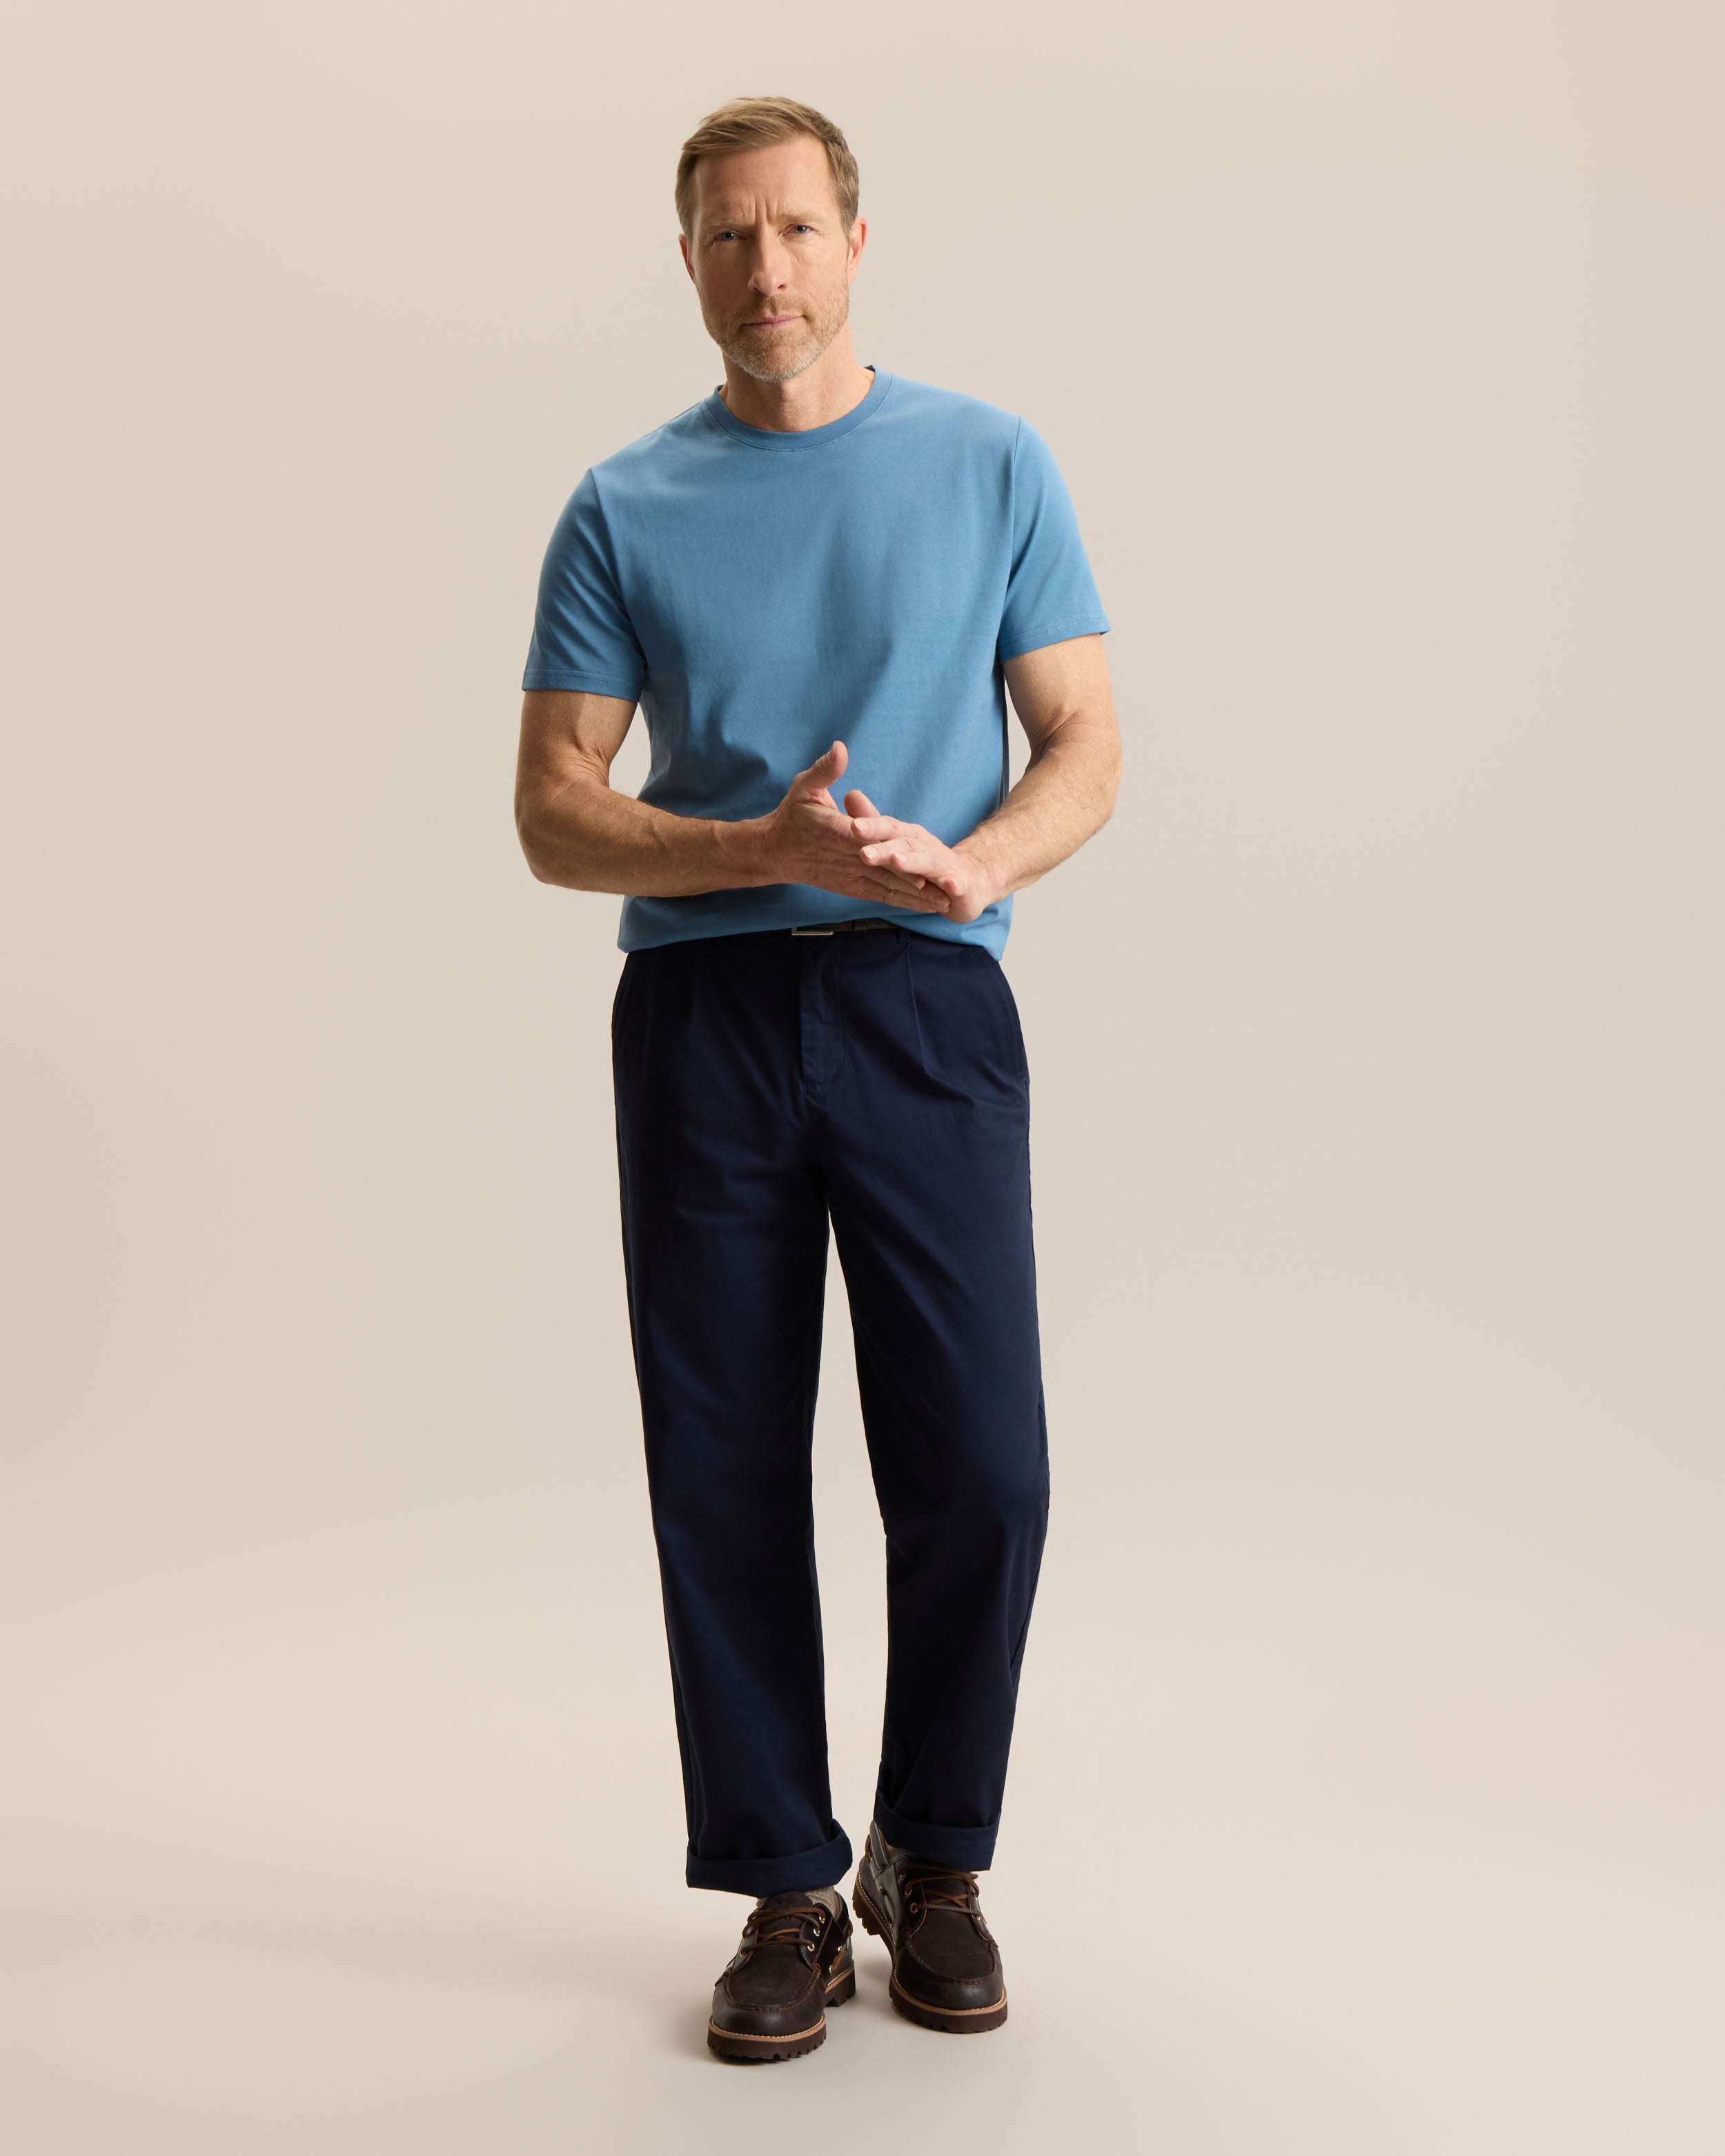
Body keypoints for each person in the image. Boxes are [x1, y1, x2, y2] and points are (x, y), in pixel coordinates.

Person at [513, 94, 1121, 2062]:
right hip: (701, 1018)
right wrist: (744, 850)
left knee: (985, 1463)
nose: (760, 268)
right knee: (723, 1463)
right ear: (687, 260)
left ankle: (928, 1857)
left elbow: (1085, 739)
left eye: (791, 229)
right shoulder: (623, 503)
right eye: (724, 235)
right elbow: (551, 809)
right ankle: (783, 1882)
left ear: (855, 243)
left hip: (926, 1000)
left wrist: (981, 863)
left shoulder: (989, 461)